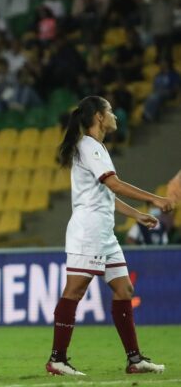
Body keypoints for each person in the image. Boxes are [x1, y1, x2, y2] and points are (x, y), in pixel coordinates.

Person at [47, 96, 174, 376]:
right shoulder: (89, 146)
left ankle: (135, 359)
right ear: (100, 117)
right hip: (89, 231)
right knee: (75, 291)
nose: (116, 116)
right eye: (111, 111)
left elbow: (106, 194)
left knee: (124, 289)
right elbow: (114, 184)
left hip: (104, 233)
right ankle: (57, 359)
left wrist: (137, 215)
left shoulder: (97, 148)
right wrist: (157, 200)